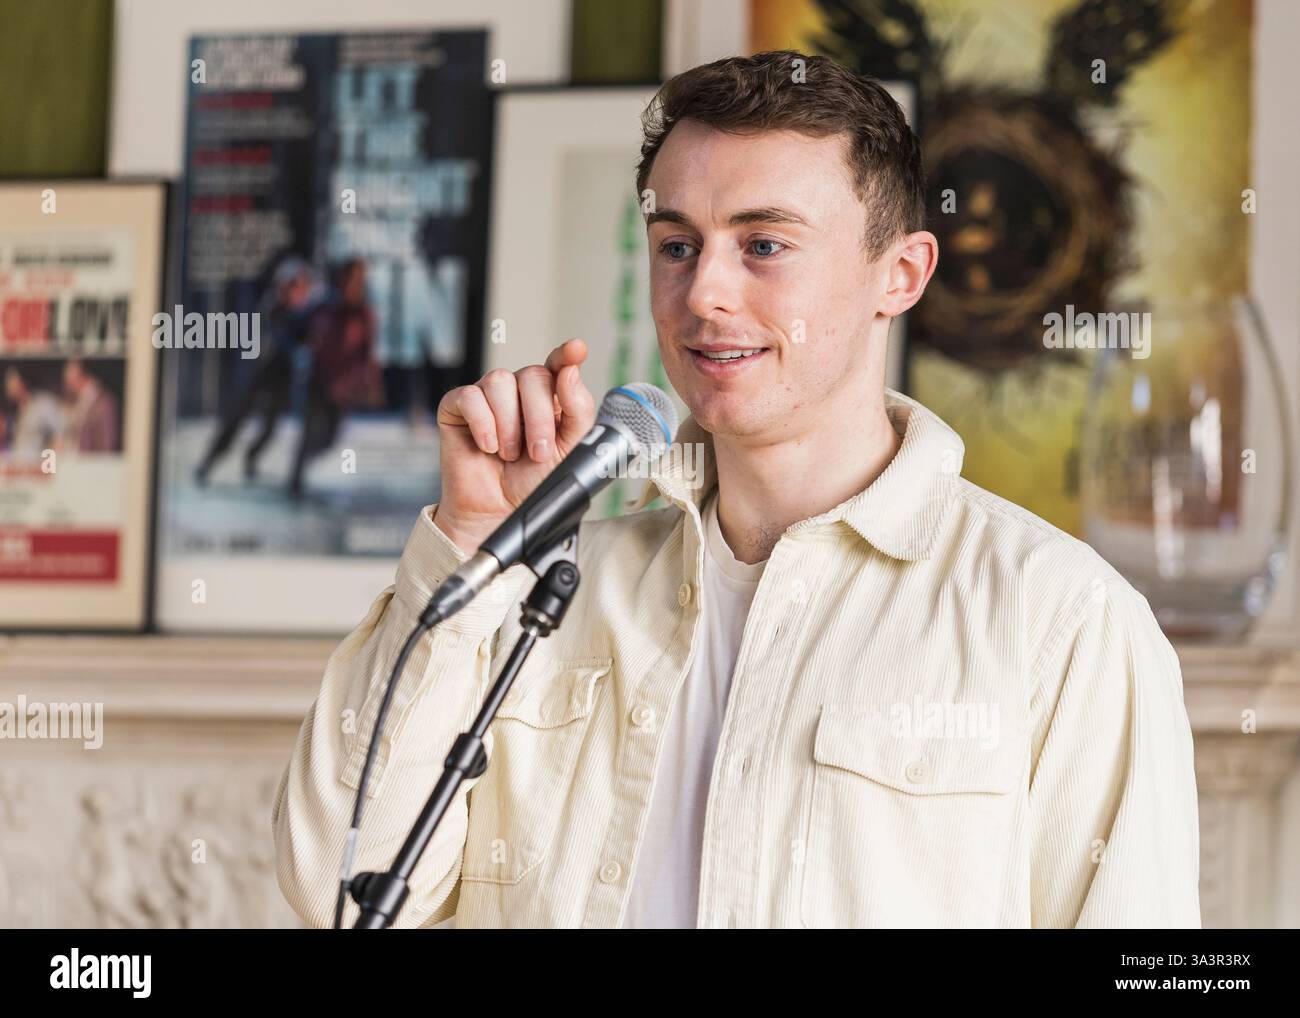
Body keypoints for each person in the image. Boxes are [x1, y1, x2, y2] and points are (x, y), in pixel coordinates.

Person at [272, 52, 1200, 929]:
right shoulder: (546, 585)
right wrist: (474, 542)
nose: (704, 293)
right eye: (677, 244)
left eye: (763, 244)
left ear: (901, 274)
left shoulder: (1062, 621)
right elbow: (335, 890)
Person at [194, 257, 317, 486]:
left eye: (302, 288)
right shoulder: (270, 308)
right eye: (293, 287)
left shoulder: (308, 315)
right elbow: (276, 338)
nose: (298, 294)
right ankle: (209, 461)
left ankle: (252, 457)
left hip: (282, 379)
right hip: (258, 374)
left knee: (270, 428)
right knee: (235, 420)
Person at [287, 258, 383, 500]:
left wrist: (372, 385)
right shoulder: (323, 308)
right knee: (309, 432)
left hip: (342, 390)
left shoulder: (365, 315)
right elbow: (301, 333)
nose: (352, 284)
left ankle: (307, 460)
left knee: (329, 438)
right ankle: (295, 483)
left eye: (357, 280)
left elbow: (368, 353)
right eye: (348, 278)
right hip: (318, 382)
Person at [4, 365, 66, 458]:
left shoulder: (43, 403)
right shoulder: (20, 409)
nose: (7, 387)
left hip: (40, 467)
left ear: (21, 382)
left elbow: (59, 435)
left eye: (10, 382)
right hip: (21, 468)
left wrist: (52, 464)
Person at [62, 359, 121, 453]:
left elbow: (107, 445)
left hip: (94, 464)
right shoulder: (77, 401)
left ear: (83, 376)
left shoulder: (104, 403)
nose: (66, 381)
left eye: (70, 376)